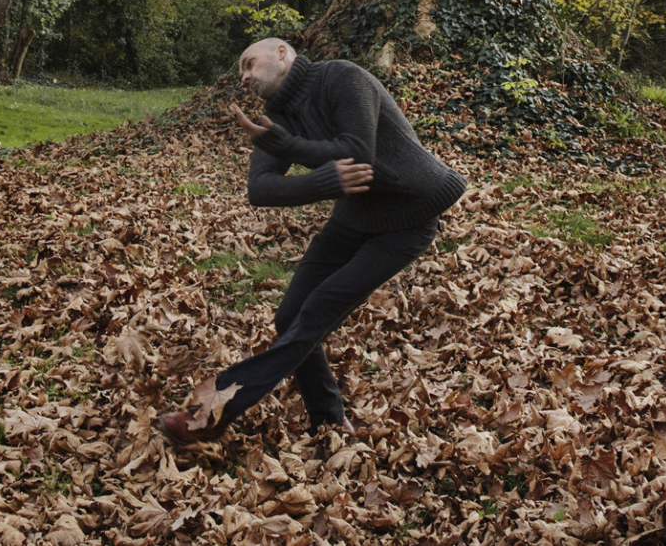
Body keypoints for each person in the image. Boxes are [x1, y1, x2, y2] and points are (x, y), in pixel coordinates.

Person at [153, 37, 467, 447]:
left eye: (249, 64)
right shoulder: (276, 113)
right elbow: (260, 188)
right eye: (240, 73)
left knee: (316, 311)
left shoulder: (341, 78)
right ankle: (329, 421)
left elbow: (358, 153)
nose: (244, 77)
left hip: (409, 216)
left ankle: (212, 413)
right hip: (352, 219)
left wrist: (288, 146)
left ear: (282, 53)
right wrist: (320, 181)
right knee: (289, 318)